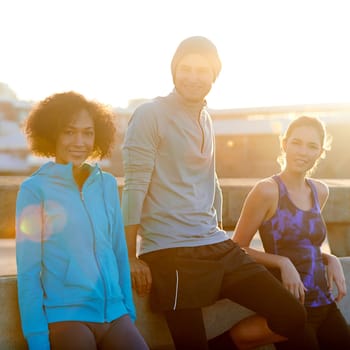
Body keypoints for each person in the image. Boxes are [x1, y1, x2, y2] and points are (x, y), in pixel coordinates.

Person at [121, 36, 315, 350]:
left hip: (216, 245)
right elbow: (133, 188)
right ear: (174, 70)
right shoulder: (149, 114)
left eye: (202, 70)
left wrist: (220, 231)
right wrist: (129, 255)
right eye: (185, 68)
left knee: (292, 315)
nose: (193, 77)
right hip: (171, 252)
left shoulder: (206, 116)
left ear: (214, 75)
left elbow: (210, 181)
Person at [16, 91, 149, 350]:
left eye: (88, 132)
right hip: (67, 317)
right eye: (69, 131)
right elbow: (29, 272)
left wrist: (128, 315)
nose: (80, 141)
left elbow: (119, 254)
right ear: (53, 134)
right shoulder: (35, 190)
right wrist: (38, 341)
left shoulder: (107, 185)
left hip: (115, 315)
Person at [233, 115, 350, 349]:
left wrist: (330, 257)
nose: (303, 152)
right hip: (293, 309)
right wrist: (281, 262)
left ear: (320, 152)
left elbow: (306, 245)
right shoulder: (267, 190)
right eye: (296, 142)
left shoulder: (320, 191)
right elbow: (236, 248)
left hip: (325, 304)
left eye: (312, 146)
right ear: (284, 144)